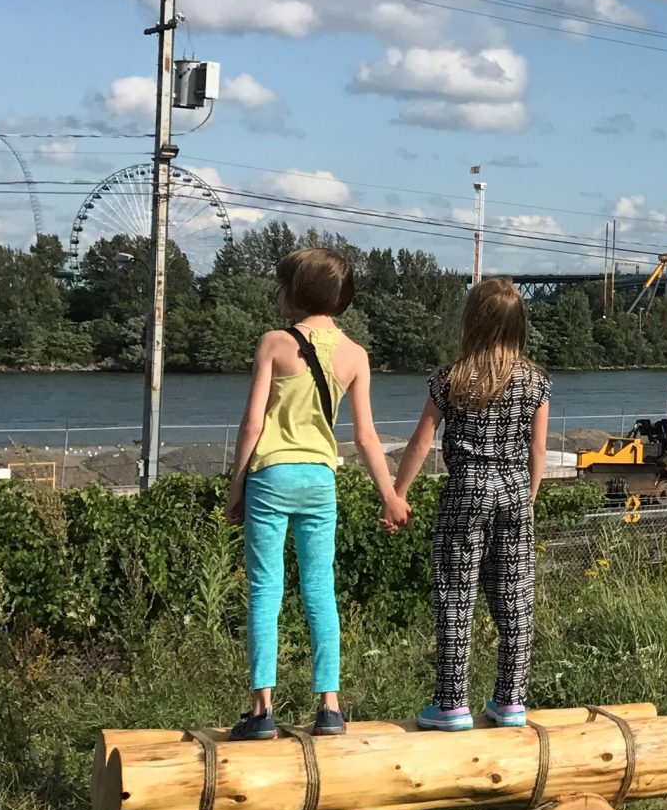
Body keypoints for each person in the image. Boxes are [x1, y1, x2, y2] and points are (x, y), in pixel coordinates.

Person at [221, 246, 404, 741]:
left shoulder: (274, 343)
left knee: (266, 589)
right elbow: (366, 435)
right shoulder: (356, 355)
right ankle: (330, 708)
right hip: (320, 479)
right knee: (319, 588)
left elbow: (252, 423)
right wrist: (390, 495)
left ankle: (262, 711)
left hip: (272, 476)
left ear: (295, 292)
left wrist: (236, 486)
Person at [389, 277, 550, 731]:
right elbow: (538, 448)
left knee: (456, 595)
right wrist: (529, 495)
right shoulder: (536, 381)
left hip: (466, 489)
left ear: (472, 322)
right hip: (514, 488)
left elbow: (422, 440)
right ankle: (511, 702)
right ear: (518, 325)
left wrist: (398, 493)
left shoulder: (451, 378)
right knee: (515, 598)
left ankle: (451, 704)